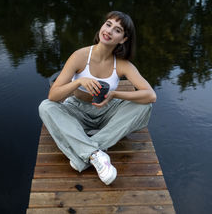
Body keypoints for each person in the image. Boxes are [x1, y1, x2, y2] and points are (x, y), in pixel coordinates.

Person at [38, 11, 156, 185]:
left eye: (117, 30)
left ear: (123, 39)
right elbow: (53, 95)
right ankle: (95, 153)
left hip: (107, 110)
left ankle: (85, 151)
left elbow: (151, 95)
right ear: (102, 27)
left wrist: (115, 94)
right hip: (77, 110)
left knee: (144, 106)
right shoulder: (80, 56)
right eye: (108, 24)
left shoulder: (122, 64)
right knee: (45, 107)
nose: (109, 31)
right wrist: (79, 83)